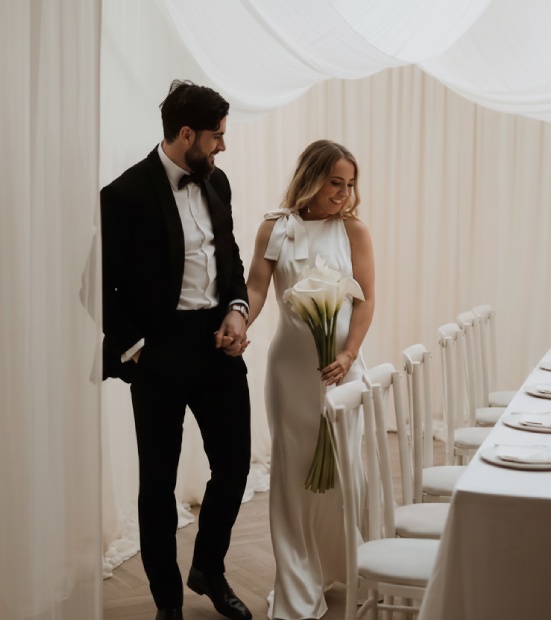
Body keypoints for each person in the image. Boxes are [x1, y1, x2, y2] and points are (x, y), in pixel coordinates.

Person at [100, 80, 253, 620]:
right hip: (159, 354)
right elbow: (96, 284)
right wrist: (139, 350)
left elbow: (230, 258)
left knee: (235, 466)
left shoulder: (219, 184)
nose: (223, 147)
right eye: (216, 137)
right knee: (157, 487)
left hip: (219, 347)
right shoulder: (124, 194)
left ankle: (209, 567)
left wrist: (237, 308)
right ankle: (168, 603)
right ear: (186, 133)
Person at [246, 140, 375, 619]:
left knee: (344, 472)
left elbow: (366, 299)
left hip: (343, 372)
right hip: (291, 373)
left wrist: (348, 353)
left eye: (349, 184)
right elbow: (257, 288)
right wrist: (241, 322)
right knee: (293, 474)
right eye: (334, 182)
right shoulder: (277, 227)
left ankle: (344, 564)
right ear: (311, 177)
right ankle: (299, 585)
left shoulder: (353, 231)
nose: (342, 194)